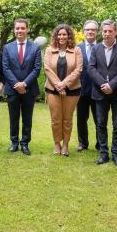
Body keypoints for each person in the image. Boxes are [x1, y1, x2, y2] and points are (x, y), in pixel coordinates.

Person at [87, 19, 117, 167]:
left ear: (115, 32)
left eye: (110, 31)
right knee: (100, 123)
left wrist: (111, 85)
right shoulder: (96, 48)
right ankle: (104, 153)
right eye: (104, 31)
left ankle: (116, 154)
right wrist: (102, 84)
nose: (106, 34)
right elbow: (91, 68)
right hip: (100, 93)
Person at [3, 19, 42, 156]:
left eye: (22, 28)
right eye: (17, 28)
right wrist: (16, 84)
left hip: (29, 89)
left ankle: (25, 143)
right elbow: (6, 68)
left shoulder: (35, 47)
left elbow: (37, 69)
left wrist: (24, 84)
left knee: (27, 118)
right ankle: (14, 143)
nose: (20, 31)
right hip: (12, 89)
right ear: (14, 30)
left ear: (27, 30)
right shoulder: (7, 47)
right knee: (13, 117)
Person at [44, 24, 82, 156]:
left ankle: (65, 145)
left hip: (72, 90)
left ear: (69, 36)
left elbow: (78, 69)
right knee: (56, 119)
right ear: (56, 36)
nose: (62, 37)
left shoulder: (76, 50)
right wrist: (58, 85)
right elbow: (47, 69)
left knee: (67, 119)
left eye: (64, 34)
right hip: (52, 90)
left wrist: (64, 84)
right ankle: (56, 143)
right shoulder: (49, 50)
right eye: (59, 34)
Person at [76, 20, 99, 152]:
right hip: (81, 89)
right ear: (84, 32)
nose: (90, 32)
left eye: (93, 30)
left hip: (98, 90)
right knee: (81, 119)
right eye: (88, 30)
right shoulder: (76, 48)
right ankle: (82, 143)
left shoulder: (102, 47)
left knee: (99, 119)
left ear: (97, 32)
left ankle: (100, 144)